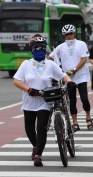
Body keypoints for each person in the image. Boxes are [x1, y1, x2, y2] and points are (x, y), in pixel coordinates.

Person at [13, 35, 75, 166]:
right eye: (37, 48)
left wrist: (70, 82)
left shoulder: (50, 64)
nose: (40, 50)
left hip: (45, 101)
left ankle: (38, 155)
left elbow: (63, 75)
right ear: (32, 50)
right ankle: (35, 145)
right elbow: (16, 81)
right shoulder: (26, 64)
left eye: (42, 48)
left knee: (41, 127)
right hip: (29, 102)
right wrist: (29, 89)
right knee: (29, 129)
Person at [48, 24, 92, 131]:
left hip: (81, 75)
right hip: (69, 78)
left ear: (75, 34)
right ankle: (75, 122)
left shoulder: (81, 44)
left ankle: (88, 117)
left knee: (84, 98)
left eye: (71, 34)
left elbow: (83, 60)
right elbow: (49, 58)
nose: (69, 36)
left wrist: (74, 70)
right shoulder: (60, 47)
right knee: (72, 100)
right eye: (66, 35)